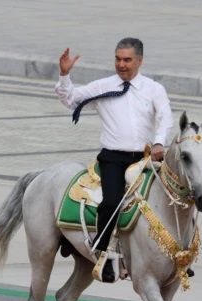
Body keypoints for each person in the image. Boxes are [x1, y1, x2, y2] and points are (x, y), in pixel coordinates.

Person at [55, 37, 173, 282]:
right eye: (118, 59)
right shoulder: (103, 86)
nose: (121, 64)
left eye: (127, 60)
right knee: (111, 202)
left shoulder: (154, 89)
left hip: (146, 158)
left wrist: (160, 142)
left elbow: (165, 117)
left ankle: (178, 254)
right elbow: (70, 100)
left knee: (177, 197)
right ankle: (103, 252)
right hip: (113, 160)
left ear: (139, 61)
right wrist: (65, 75)